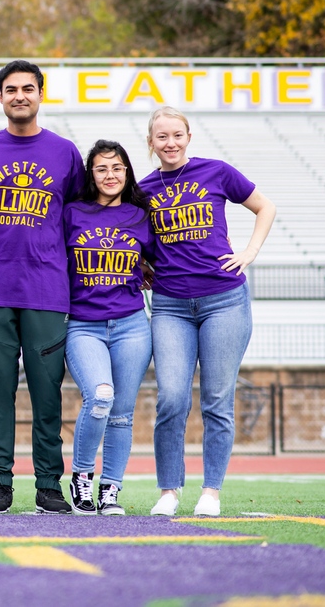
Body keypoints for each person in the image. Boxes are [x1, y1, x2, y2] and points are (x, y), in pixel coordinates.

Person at [0, 59, 85, 514]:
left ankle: (49, 483)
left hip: (48, 291)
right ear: (0, 97)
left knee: (47, 393)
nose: (19, 96)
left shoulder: (65, 153)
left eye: (27, 88)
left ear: (40, 94)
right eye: (11, 89)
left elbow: (82, 216)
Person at [139, 106, 275, 517]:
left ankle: (211, 492)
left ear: (188, 136)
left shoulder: (216, 171)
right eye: (162, 137)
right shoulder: (142, 190)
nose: (171, 143)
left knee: (217, 400)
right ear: (151, 143)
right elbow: (135, 241)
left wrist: (248, 253)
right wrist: (142, 264)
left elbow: (264, 207)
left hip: (224, 301)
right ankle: (169, 491)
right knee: (172, 399)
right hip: (170, 306)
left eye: (177, 134)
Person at [63, 140, 153, 516]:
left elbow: (164, 258)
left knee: (121, 413)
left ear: (127, 172)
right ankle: (82, 477)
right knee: (100, 397)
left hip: (132, 324)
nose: (110, 175)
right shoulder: (72, 213)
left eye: (117, 168)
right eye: (101, 168)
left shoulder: (138, 215)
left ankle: (111, 489)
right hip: (84, 325)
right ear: (91, 174)